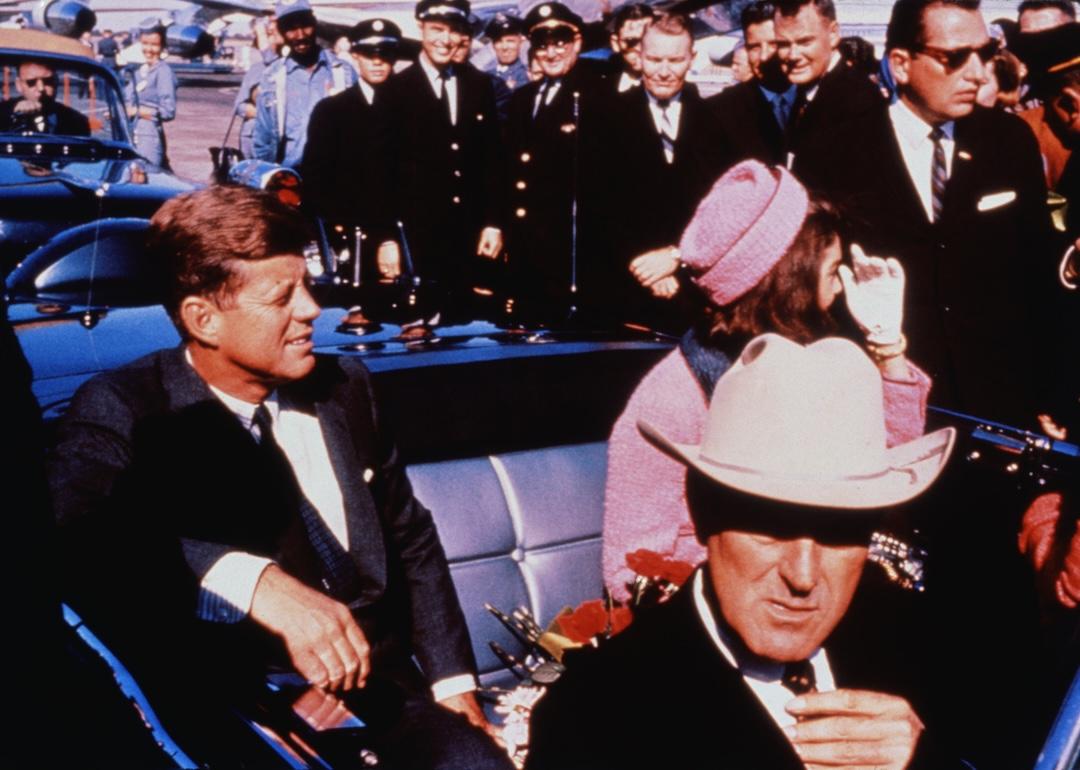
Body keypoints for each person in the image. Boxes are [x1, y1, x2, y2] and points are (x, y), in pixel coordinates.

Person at [48, 186, 512, 770]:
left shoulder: (346, 388)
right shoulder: (126, 409)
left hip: (384, 699)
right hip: (235, 709)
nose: (312, 309)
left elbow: (410, 537)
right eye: (281, 296)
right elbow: (69, 538)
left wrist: (453, 687)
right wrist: (253, 581)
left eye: (308, 285)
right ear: (203, 319)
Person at [531, 332, 958, 770]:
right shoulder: (595, 720)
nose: (803, 576)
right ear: (702, 512)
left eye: (836, 532)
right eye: (771, 528)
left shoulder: (915, 643)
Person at [603, 160, 932, 602]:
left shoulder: (813, 359)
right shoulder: (674, 398)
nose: (839, 290)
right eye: (833, 271)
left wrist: (887, 343)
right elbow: (632, 571)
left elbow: (889, 471)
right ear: (788, 279)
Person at [800, 0, 1052, 424]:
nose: (976, 73)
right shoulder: (833, 153)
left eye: (985, 54)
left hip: (999, 407)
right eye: (954, 58)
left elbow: (1039, 276)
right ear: (900, 63)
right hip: (879, 405)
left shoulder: (1008, 142)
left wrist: (1052, 395)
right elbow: (810, 291)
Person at [605, 13, 733, 330]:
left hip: (696, 291)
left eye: (674, 60)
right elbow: (598, 204)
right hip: (626, 294)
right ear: (639, 57)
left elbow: (722, 208)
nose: (663, 72)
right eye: (654, 59)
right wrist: (643, 265)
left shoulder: (716, 122)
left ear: (692, 59)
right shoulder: (607, 117)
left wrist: (678, 258)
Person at [504, 2, 616, 321]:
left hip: (573, 255)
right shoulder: (523, 99)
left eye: (560, 43)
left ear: (577, 42)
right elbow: (511, 168)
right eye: (542, 45)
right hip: (526, 251)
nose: (551, 53)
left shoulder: (598, 95)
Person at [301, 19, 403, 281]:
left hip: (403, 234)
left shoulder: (413, 109)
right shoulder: (331, 111)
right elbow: (316, 178)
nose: (377, 62)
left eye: (385, 55)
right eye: (369, 55)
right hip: (350, 234)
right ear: (356, 56)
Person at [773, 0, 884, 174]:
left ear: (833, 34)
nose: (792, 55)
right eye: (783, 44)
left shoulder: (860, 102)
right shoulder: (805, 93)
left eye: (804, 42)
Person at [252, 0, 356, 167]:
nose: (300, 35)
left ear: (315, 24)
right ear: (282, 32)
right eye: (291, 29)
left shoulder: (344, 72)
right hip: (290, 178)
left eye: (305, 26)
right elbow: (262, 138)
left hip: (335, 175)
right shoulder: (272, 77)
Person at [709, 1, 796, 167]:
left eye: (774, 44)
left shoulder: (823, 101)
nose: (764, 57)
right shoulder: (719, 112)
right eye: (754, 47)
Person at [124, 26, 177, 168]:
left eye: (154, 45)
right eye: (145, 43)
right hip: (130, 135)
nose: (149, 49)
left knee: (147, 177)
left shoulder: (163, 72)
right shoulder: (139, 71)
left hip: (149, 137)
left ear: (163, 47)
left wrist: (135, 111)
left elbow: (168, 111)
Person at [233, 17, 284, 159]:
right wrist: (250, 110)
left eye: (272, 34)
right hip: (251, 137)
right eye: (267, 35)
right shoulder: (256, 69)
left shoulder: (287, 67)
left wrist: (265, 113)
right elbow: (239, 105)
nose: (267, 40)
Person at [0, 60, 90, 136]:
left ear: (56, 81)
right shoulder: (3, 113)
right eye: (31, 82)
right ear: (19, 85)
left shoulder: (77, 122)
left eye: (48, 81)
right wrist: (14, 115)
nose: (41, 88)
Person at [607, 3, 654, 93]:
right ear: (615, 44)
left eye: (650, 40)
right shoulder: (600, 86)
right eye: (631, 41)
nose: (641, 49)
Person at [486, 15, 528, 91]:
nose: (504, 47)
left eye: (510, 41)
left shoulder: (525, 76)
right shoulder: (487, 75)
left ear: (520, 41)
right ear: (493, 45)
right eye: (498, 41)